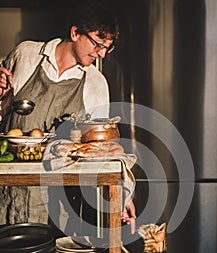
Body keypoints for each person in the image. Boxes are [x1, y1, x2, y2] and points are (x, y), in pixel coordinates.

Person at [0, 3, 136, 233]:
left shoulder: (95, 83)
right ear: (75, 33)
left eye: (107, 48)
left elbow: (98, 150)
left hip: (55, 198)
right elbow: (3, 112)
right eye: (98, 44)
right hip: (6, 186)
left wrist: (122, 195)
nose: (102, 53)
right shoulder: (27, 54)